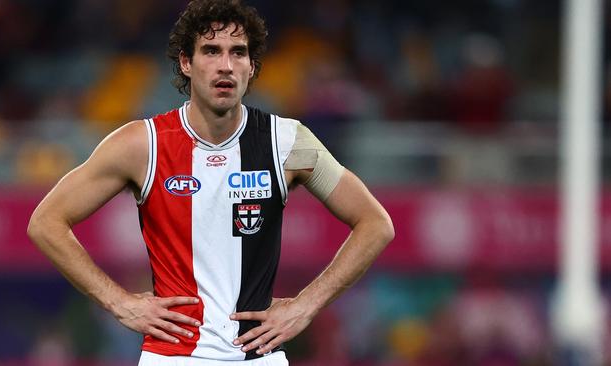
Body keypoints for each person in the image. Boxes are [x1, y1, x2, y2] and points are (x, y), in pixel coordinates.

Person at [27, 0, 394, 365]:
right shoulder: (141, 145)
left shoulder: (288, 143)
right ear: (186, 63)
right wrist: (118, 302)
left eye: (238, 53)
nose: (226, 65)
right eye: (211, 51)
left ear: (252, 67)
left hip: (259, 357)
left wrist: (306, 305)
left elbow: (376, 224)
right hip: (173, 357)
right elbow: (46, 222)